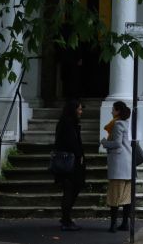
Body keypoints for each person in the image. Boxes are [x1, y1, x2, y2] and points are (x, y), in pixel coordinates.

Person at [100, 101, 133, 233]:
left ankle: (113, 225)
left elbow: (117, 143)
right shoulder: (128, 124)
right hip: (128, 164)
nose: (111, 111)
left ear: (118, 111)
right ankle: (125, 223)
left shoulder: (118, 124)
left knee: (114, 196)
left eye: (113, 109)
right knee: (126, 197)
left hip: (119, 165)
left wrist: (105, 143)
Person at [53, 99, 85, 232]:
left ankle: (66, 218)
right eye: (79, 109)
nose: (81, 112)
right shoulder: (68, 124)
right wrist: (79, 155)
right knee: (70, 190)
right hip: (70, 163)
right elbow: (72, 142)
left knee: (70, 190)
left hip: (67, 161)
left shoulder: (66, 123)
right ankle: (66, 220)